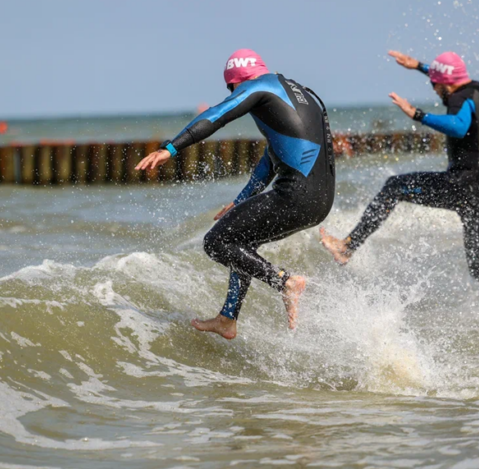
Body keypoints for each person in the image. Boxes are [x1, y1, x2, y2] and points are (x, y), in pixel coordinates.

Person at [138, 49, 336, 339]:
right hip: (320, 201)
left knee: (216, 241)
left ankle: (285, 282)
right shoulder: (295, 92)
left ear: (236, 81)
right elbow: (274, 156)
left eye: (233, 89)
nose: (236, 93)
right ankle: (227, 319)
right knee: (241, 240)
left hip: (295, 194)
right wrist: (242, 201)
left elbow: (217, 115)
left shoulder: (255, 87)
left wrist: (170, 148)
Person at [320, 50, 479, 303]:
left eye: (435, 84)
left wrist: (416, 114)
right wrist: (420, 66)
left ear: (444, 83)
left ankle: (348, 246)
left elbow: (458, 126)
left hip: (463, 184)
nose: (434, 89)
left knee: (394, 187)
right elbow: (448, 82)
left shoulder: (458, 97)